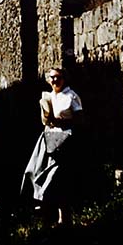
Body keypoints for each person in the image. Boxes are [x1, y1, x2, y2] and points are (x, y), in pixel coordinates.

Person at [21, 67, 83, 225]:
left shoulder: (71, 96)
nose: (55, 80)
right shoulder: (48, 97)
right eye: (52, 77)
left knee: (57, 177)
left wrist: (62, 122)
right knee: (36, 171)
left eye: (58, 77)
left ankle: (63, 217)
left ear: (64, 79)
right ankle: (50, 215)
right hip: (49, 139)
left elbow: (79, 119)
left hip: (65, 140)